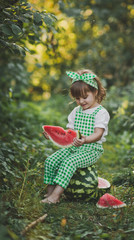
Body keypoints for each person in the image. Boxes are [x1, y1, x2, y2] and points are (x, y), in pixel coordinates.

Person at [41, 69, 110, 204]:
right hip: (74, 147)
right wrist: (52, 136)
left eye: (85, 97)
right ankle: (49, 193)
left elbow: (98, 134)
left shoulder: (100, 112)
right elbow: (68, 134)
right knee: (50, 161)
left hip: (91, 150)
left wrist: (85, 139)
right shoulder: (75, 111)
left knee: (69, 163)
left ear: (95, 92)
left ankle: (56, 196)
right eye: (77, 98)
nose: (81, 101)